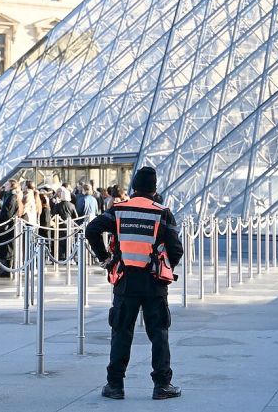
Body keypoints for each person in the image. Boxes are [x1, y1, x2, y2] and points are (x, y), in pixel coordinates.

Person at [85, 166, 183, 401]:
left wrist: (106, 259)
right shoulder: (162, 212)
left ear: (134, 187)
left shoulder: (119, 210)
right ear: (154, 188)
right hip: (153, 282)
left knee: (121, 332)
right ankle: (162, 385)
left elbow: (92, 230)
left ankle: (115, 385)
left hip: (125, 281)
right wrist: (165, 265)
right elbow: (176, 249)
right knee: (158, 333)